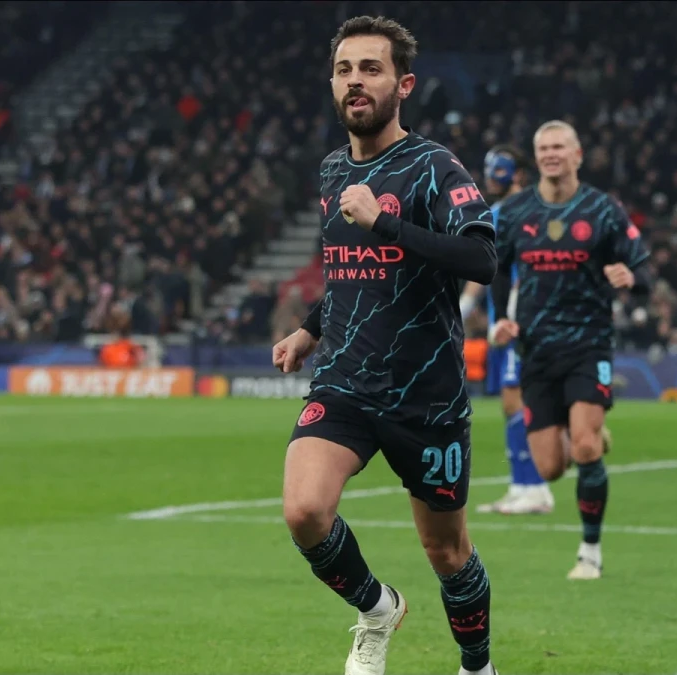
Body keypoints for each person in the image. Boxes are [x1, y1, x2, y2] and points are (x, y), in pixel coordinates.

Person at [271, 16, 499, 675]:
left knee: (448, 553)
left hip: (425, 394)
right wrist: (311, 327)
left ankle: (477, 666)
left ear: (403, 84)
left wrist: (387, 219)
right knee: (305, 509)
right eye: (345, 70)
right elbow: (348, 267)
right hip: (345, 381)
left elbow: (482, 258)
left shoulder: (433, 166)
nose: (355, 82)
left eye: (370, 69)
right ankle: (376, 608)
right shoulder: (333, 169)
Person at [488, 120, 652, 580]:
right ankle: (591, 434)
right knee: (550, 467)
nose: (551, 154)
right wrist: (502, 317)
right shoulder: (517, 210)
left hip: (587, 345)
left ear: (578, 154)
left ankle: (590, 553)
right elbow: (498, 269)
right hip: (535, 350)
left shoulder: (604, 210)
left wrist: (631, 280)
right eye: (543, 148)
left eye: (559, 146)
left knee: (582, 447)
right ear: (536, 157)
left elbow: (644, 271)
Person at [459, 145, 555, 515]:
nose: (489, 176)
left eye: (497, 169)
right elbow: (485, 270)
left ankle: (533, 487)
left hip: (523, 322)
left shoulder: (528, 212)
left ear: (517, 174)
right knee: (510, 402)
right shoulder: (497, 213)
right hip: (503, 323)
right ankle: (524, 486)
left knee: (517, 400)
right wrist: (464, 308)